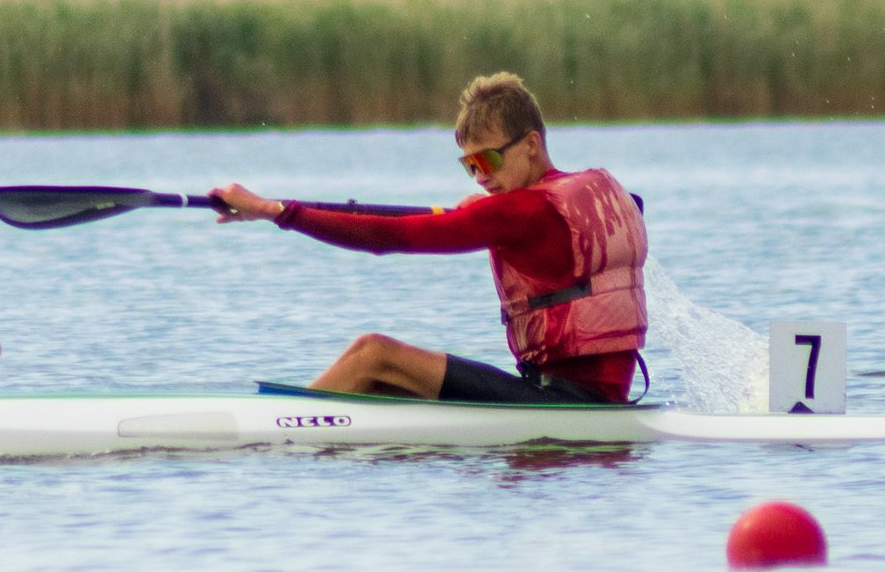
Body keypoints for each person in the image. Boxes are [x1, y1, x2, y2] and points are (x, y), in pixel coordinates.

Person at [211, 72, 648, 405]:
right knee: (383, 379)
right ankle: (313, 419)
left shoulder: (522, 211)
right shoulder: (586, 194)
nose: (482, 177)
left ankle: (280, 429)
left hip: (564, 404)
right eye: (470, 166)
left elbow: (389, 236)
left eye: (490, 159)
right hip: (588, 398)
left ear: (532, 143)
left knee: (374, 354)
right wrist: (485, 214)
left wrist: (274, 211)